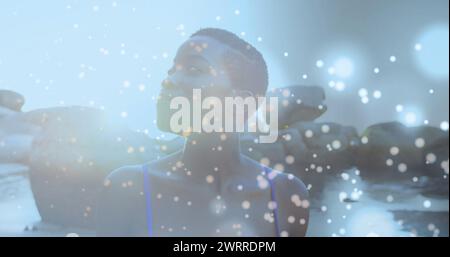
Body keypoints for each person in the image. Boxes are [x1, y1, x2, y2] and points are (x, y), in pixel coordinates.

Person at [96, 28, 309, 236]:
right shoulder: (128, 189)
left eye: (194, 69)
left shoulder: (286, 195)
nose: (169, 80)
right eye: (172, 70)